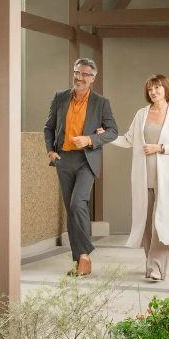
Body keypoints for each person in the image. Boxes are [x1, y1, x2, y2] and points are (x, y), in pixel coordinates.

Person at [43, 58, 119, 277]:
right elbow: (49, 127)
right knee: (72, 209)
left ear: (93, 78)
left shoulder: (101, 102)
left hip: (87, 160)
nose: (79, 77)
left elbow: (113, 131)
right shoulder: (60, 98)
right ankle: (80, 260)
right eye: (77, 72)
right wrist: (50, 150)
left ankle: (85, 255)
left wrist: (90, 139)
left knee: (78, 204)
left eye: (85, 74)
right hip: (63, 159)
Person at [109, 75, 169, 281]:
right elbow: (129, 139)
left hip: (167, 179)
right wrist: (105, 137)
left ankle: (155, 267)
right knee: (144, 223)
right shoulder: (141, 114)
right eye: (150, 89)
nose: (154, 92)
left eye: (157, 87)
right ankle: (151, 262)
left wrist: (159, 148)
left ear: (166, 89)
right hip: (143, 177)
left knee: (162, 223)